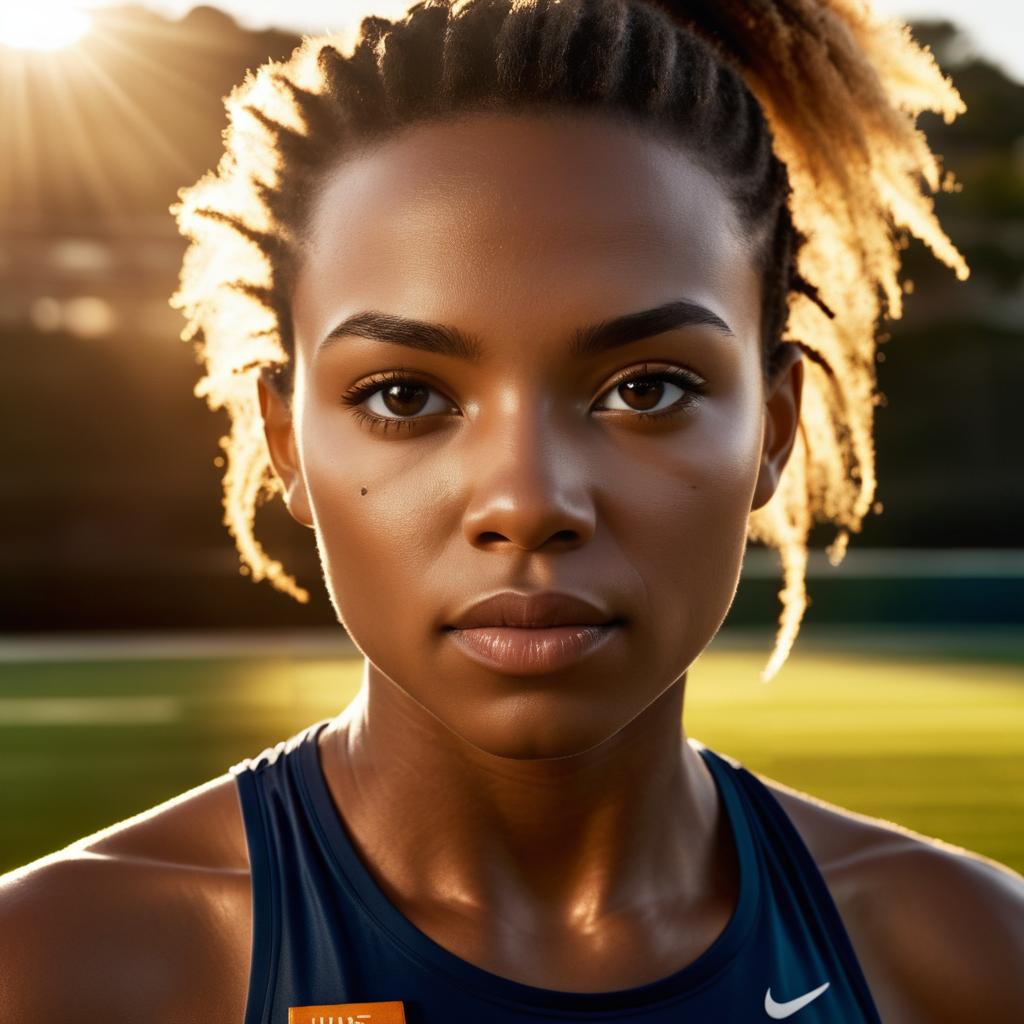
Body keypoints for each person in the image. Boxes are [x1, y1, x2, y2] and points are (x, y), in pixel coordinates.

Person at [1, 0, 1022, 1021]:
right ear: (283, 443)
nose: (528, 502)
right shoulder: (55, 972)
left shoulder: (970, 960)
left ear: (773, 425)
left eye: (647, 387)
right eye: (404, 395)